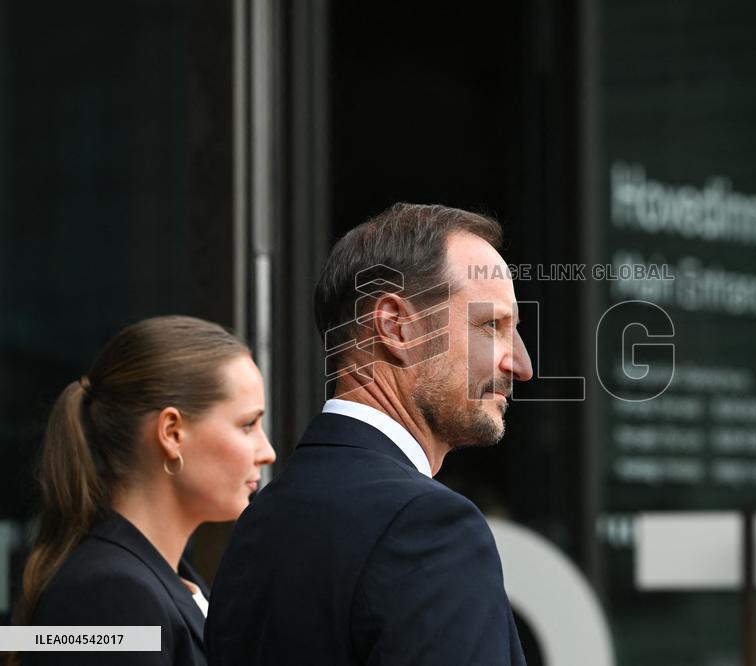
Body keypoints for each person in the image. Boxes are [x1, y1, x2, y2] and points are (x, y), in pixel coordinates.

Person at [206, 203, 534, 665]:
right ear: (397, 327)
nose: (520, 366)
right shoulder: (428, 525)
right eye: (491, 325)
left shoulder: (262, 518)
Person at [14, 315, 276, 666]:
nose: (267, 451)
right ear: (171, 432)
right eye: (248, 425)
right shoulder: (110, 593)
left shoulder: (162, 581)